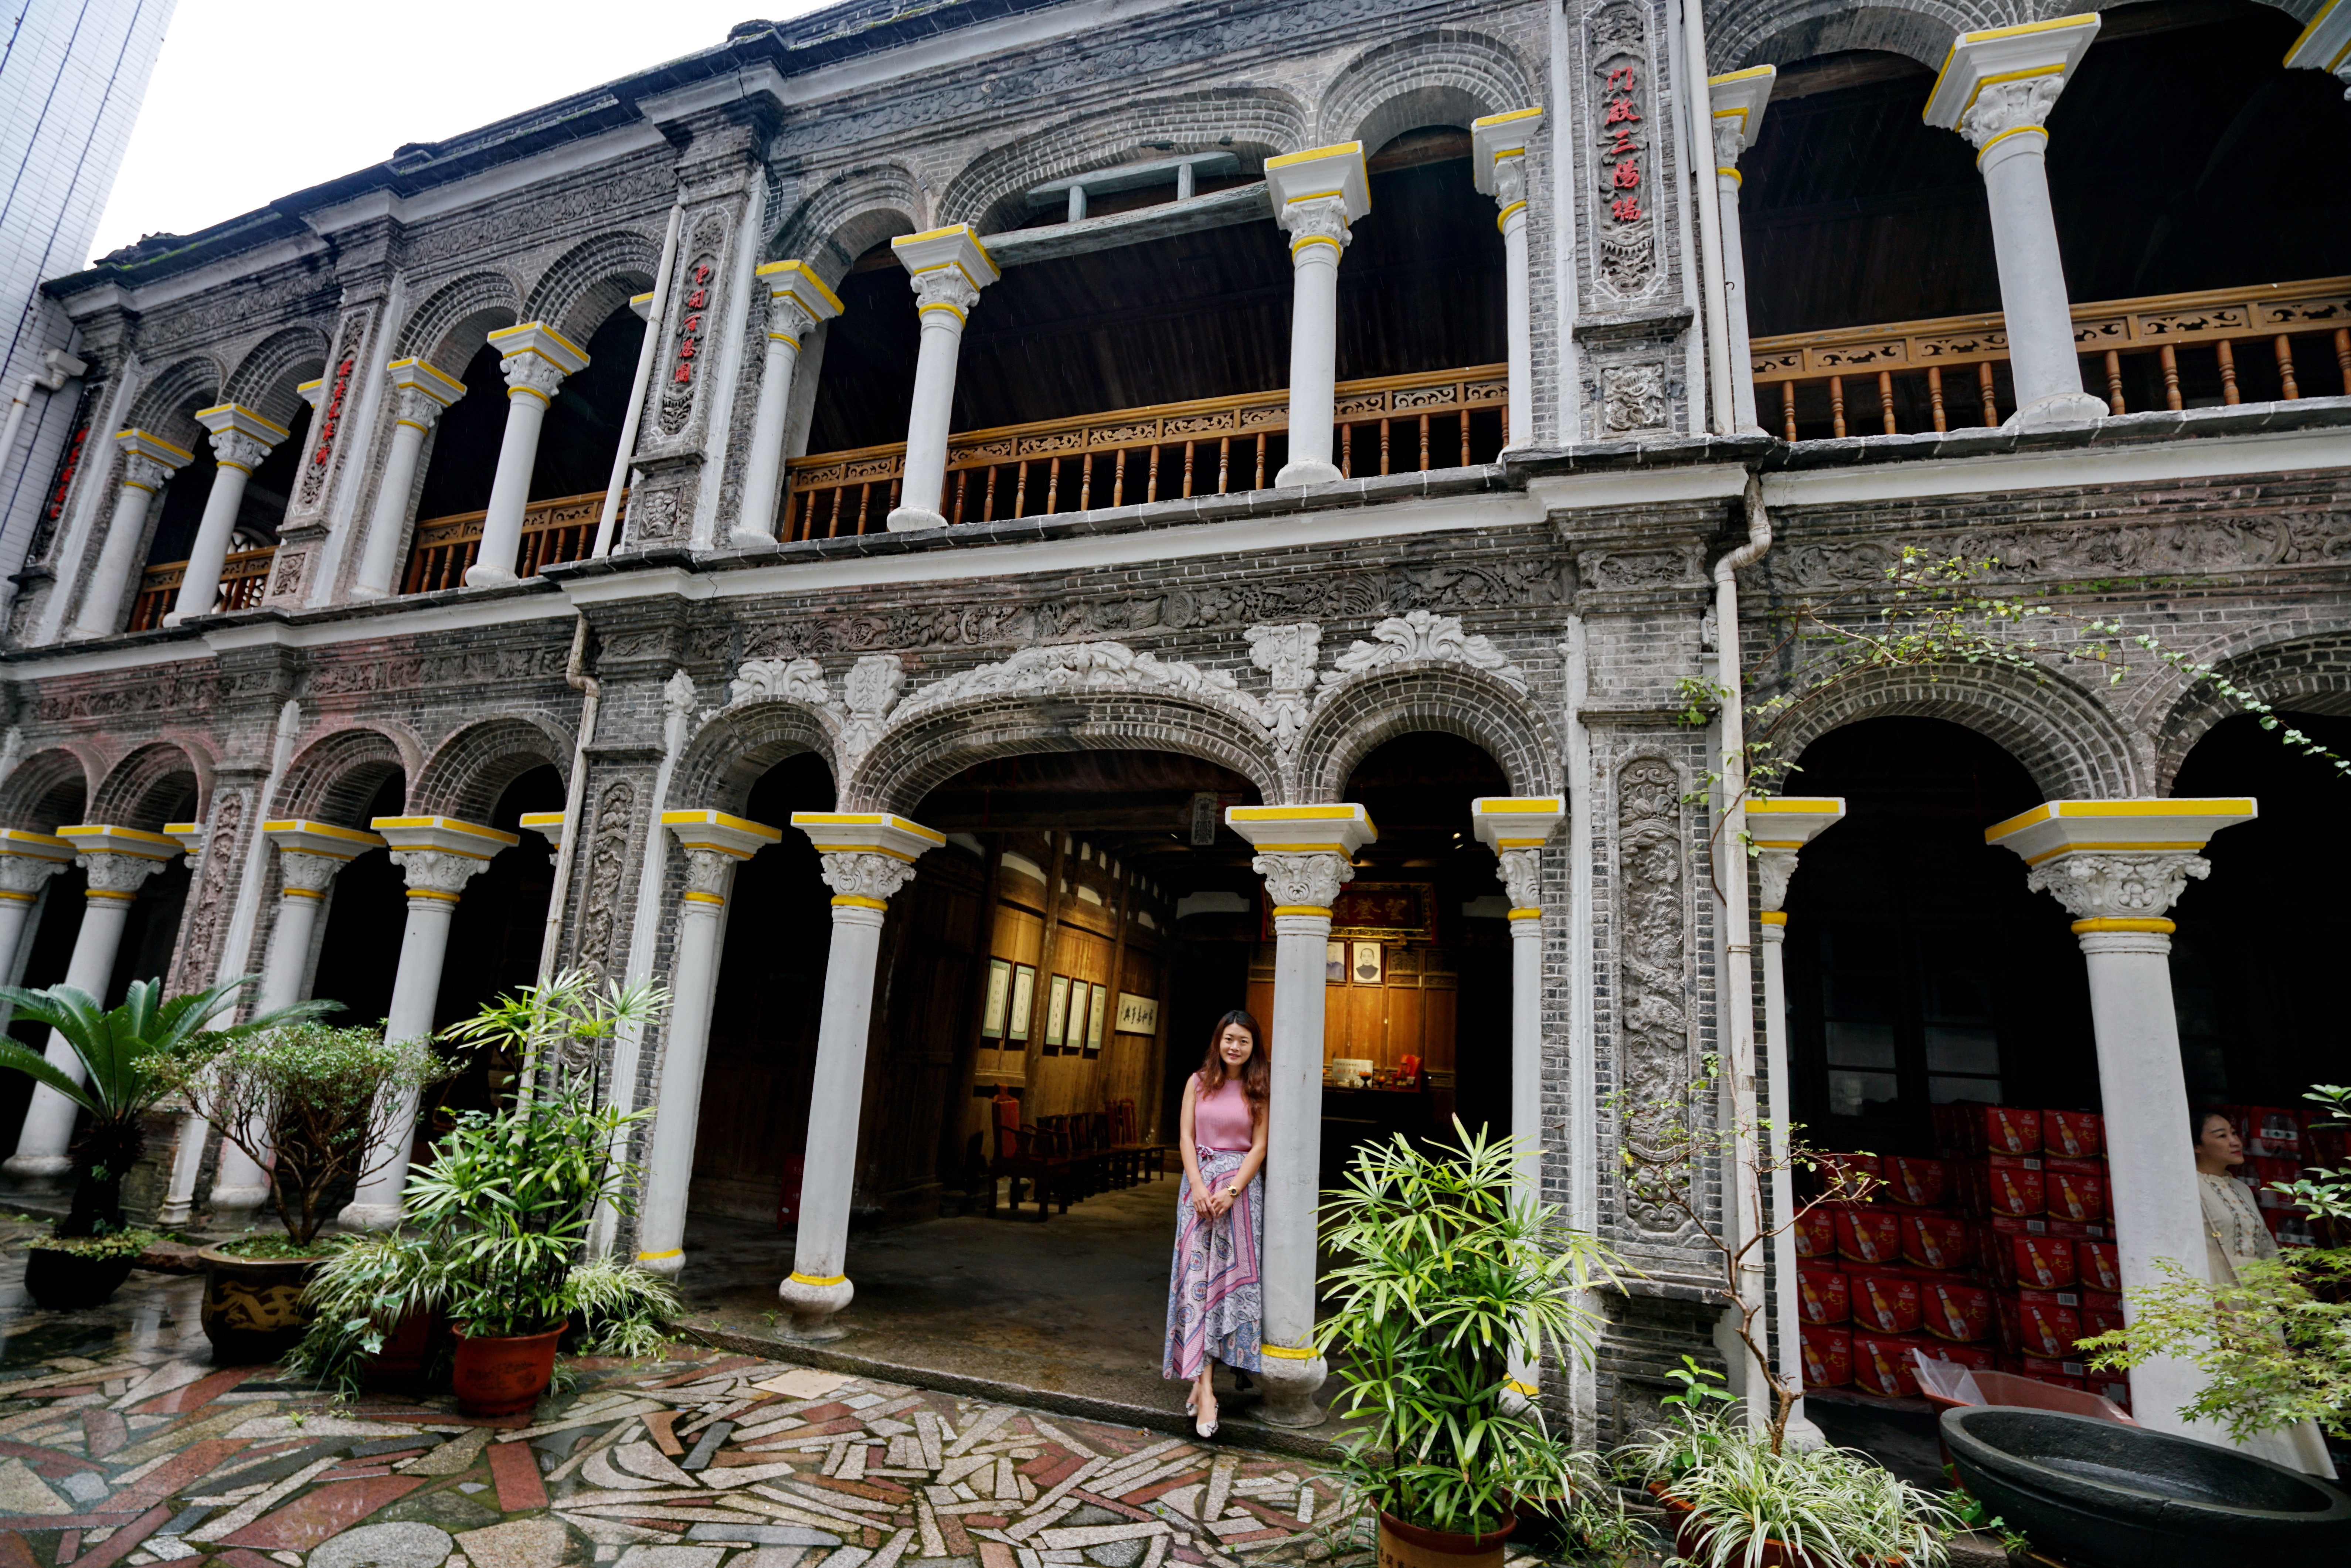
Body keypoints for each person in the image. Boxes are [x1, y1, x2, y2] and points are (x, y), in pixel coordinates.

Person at [2192, 1109, 2339, 1478]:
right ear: (2196, 1145)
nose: (2234, 1141)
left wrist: (2288, 1292)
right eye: (2220, 1134)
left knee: (2273, 1380)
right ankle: (2242, 1470)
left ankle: (2287, 1469)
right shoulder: (2186, 1186)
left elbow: (2266, 1247)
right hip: (2220, 1295)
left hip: (2258, 1299)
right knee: (2237, 1382)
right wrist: (2215, 1306)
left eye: (2234, 1133)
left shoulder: (2241, 1188)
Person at [1162, 1009, 1268, 1438]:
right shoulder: (1197, 1081)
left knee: (1223, 1290)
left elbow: (1259, 1147)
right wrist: (1198, 1186)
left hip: (1238, 1199)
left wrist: (1231, 1191)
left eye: (1243, 1040)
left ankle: (1203, 1383)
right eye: (1229, 1039)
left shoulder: (1259, 1088)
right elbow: (1186, 1136)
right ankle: (1204, 1388)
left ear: (1252, 1046)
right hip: (1197, 1193)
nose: (1235, 1047)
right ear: (1218, 1041)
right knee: (1194, 1286)